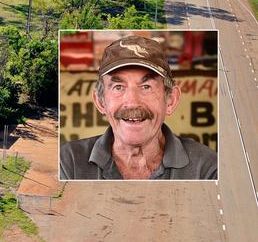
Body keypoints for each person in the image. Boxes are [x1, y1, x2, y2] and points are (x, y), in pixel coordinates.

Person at [60, 35, 217, 180]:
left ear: (170, 100)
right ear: (100, 102)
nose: (132, 102)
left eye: (146, 86)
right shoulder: (69, 161)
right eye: (118, 87)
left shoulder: (207, 167)